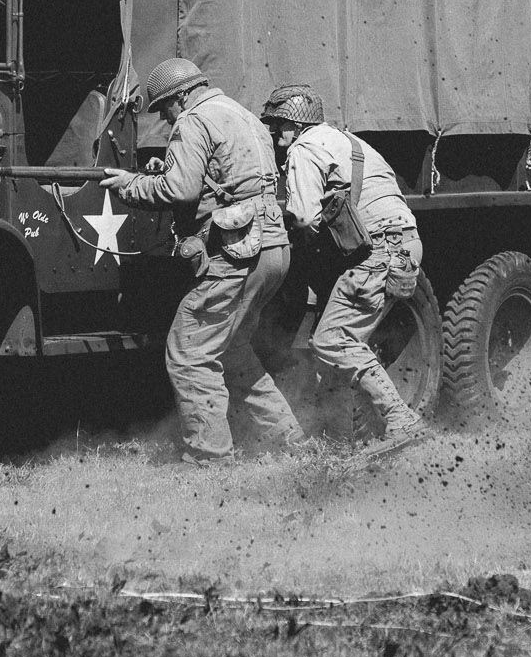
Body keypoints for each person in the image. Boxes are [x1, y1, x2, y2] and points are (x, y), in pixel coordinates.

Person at [102, 58, 303, 463]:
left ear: (180, 96)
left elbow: (180, 190)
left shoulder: (193, 121)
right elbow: (222, 178)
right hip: (272, 249)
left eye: (165, 108)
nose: (166, 117)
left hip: (235, 252)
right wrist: (169, 168)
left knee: (189, 350)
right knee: (232, 349)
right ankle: (288, 439)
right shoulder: (241, 114)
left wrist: (132, 185)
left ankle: (210, 457)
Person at [260, 85, 427, 441]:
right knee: (344, 339)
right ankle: (342, 437)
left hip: (377, 253)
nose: (277, 137)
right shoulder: (346, 141)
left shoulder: (304, 149)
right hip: (406, 245)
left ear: (293, 123)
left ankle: (401, 418)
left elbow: (304, 217)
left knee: (332, 339)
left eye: (278, 126)